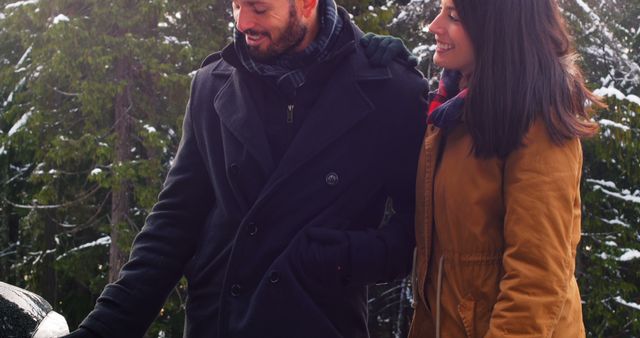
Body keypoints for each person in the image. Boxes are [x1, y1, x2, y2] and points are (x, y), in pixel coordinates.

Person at [64, 0, 427, 337]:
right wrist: (100, 331)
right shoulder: (212, 84)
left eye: (258, 7)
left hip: (320, 324)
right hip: (219, 323)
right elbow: (172, 224)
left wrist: (338, 258)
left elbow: (418, 230)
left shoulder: (392, 91)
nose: (242, 23)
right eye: (236, 4)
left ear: (307, 3)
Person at [409, 0, 602, 337]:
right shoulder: (451, 109)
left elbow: (536, 279)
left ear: (498, 27)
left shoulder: (538, 120)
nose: (434, 26)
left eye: (453, 16)